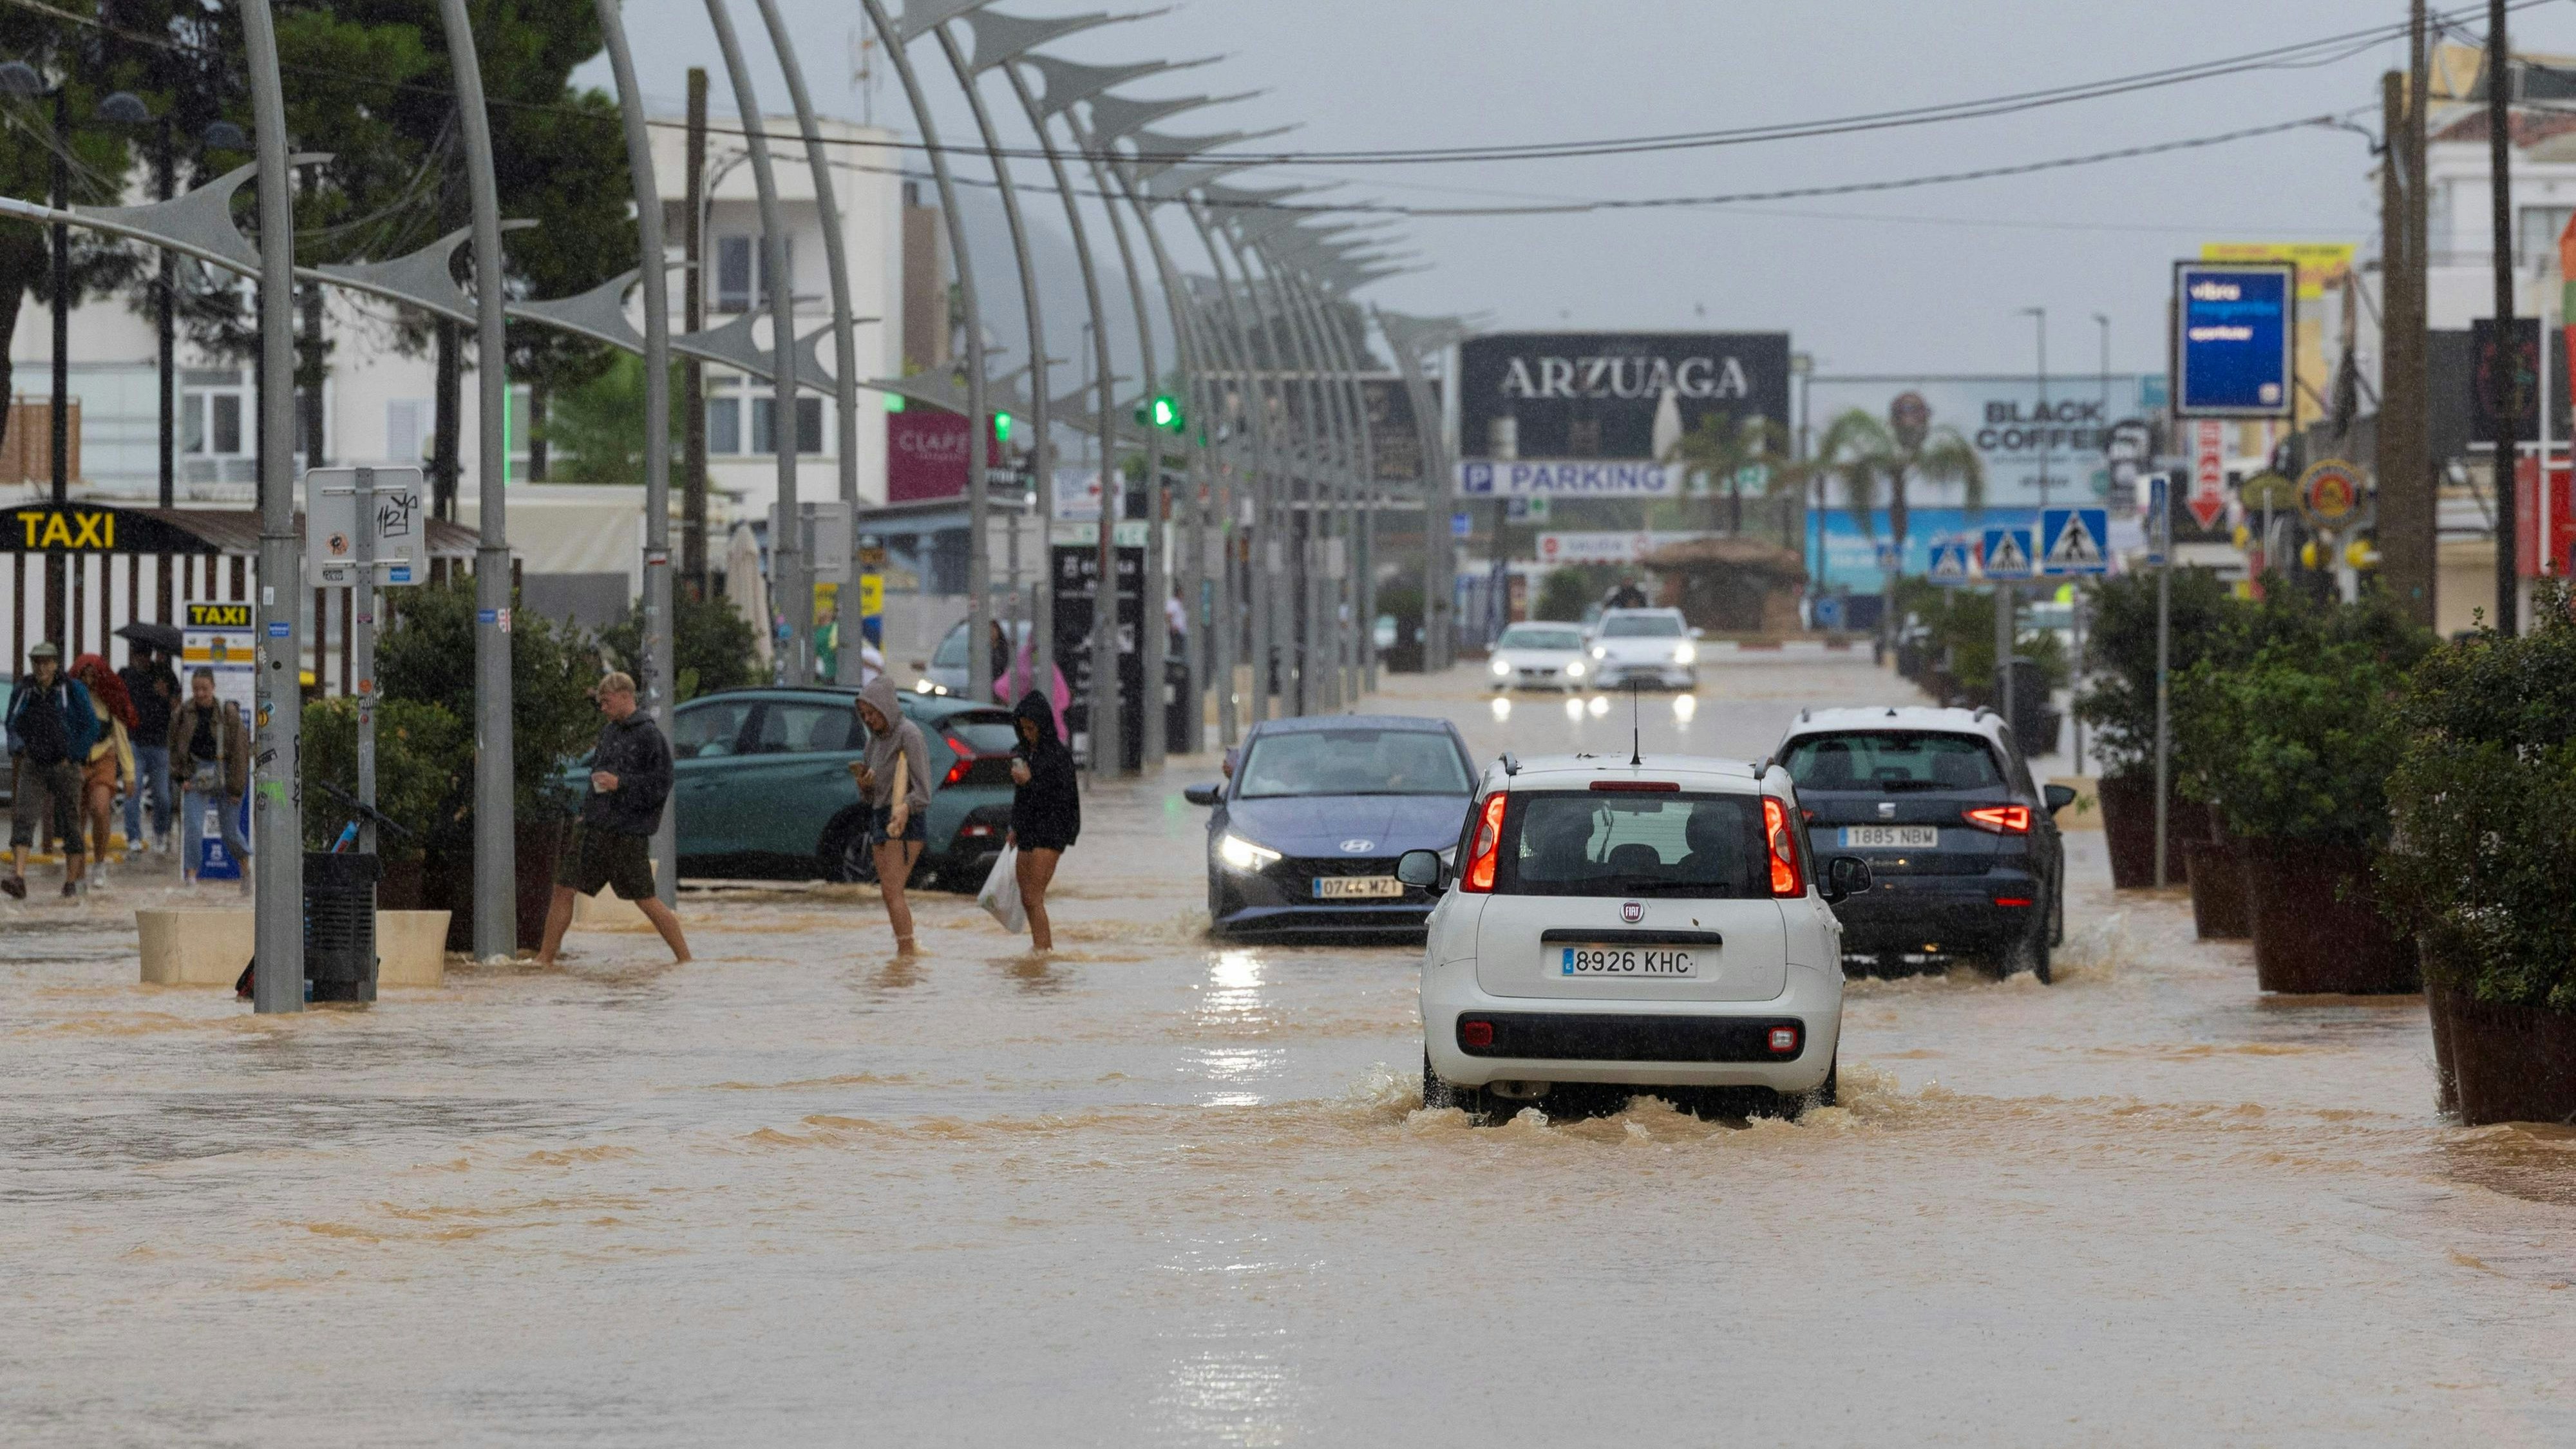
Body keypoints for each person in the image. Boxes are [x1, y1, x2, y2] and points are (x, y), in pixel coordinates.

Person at [538, 672, 691, 967]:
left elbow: (661, 784)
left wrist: (621, 784)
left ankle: (685, 959)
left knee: (645, 898)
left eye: (606, 702)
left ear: (624, 696)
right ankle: (545, 959)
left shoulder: (649, 736)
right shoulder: (609, 733)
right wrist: (587, 812)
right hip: (594, 827)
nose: (603, 708)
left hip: (627, 834)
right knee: (563, 887)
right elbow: (597, 777)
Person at [6, 643, 98, 899]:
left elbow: (91, 726)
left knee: (70, 822)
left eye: (47, 662)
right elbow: (12, 722)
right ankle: (19, 877)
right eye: (37, 662)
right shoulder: (24, 690)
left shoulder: (73, 689)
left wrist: (74, 755)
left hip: (64, 766)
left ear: (56, 664)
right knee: (24, 817)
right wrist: (19, 748)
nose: (42, 667)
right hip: (34, 764)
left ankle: (71, 882)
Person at [848, 675, 931, 954]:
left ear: (886, 707)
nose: (868, 719)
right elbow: (870, 797)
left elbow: (924, 791)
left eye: (872, 713)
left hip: (906, 820)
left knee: (893, 891)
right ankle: (906, 949)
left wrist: (906, 807)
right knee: (887, 892)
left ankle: (907, 955)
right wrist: (865, 786)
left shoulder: (910, 735)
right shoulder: (872, 744)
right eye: (864, 715)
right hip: (879, 817)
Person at [1006, 687, 1080, 951]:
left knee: (1034, 896)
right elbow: (1021, 797)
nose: (1027, 734)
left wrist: (1031, 781)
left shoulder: (1058, 757)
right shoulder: (1025, 753)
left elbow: (1062, 800)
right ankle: (1040, 949)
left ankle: (1044, 952)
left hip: (1051, 831)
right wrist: (1014, 825)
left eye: (1031, 728)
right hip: (1028, 828)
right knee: (1027, 897)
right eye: (1023, 729)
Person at [167, 668, 250, 894]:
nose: (200, 693)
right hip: (196, 773)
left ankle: (246, 871)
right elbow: (174, 748)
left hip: (225, 771)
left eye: (204, 689)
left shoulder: (228, 713)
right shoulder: (182, 713)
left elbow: (241, 753)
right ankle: (192, 879)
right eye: (196, 689)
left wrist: (236, 788)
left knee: (230, 831)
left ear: (213, 687)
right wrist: (181, 776)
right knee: (193, 827)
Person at [70, 654, 135, 887]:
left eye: (92, 674)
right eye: (83, 675)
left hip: (104, 758)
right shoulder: (71, 697)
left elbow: (121, 737)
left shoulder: (110, 699)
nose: (88, 679)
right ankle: (76, 871)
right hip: (76, 760)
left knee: (100, 808)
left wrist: (129, 774)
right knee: (75, 818)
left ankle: (99, 862)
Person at [119, 645, 179, 856]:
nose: (141, 659)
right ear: (132, 655)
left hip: (160, 743)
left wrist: (166, 695)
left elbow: (177, 706)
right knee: (132, 793)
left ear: (151, 655)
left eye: (145, 654)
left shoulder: (164, 674)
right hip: (134, 742)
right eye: (137, 654)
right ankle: (134, 837)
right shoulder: (125, 675)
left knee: (163, 796)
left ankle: (161, 833)